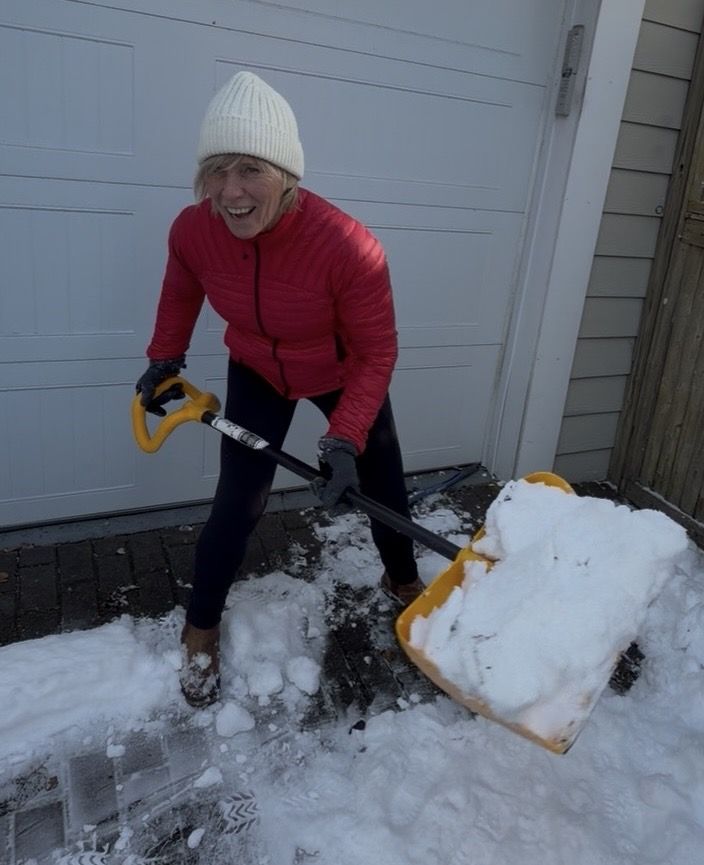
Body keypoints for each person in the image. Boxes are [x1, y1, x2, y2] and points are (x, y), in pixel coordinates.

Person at [136, 71, 423, 708]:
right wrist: (165, 358)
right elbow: (182, 289)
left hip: (343, 373)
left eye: (249, 170)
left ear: (286, 174)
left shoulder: (348, 247)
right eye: (216, 171)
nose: (230, 192)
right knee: (237, 502)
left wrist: (344, 438)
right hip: (259, 370)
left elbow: (378, 352)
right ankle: (200, 628)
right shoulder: (193, 229)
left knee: (385, 488)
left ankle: (403, 582)